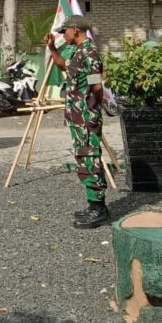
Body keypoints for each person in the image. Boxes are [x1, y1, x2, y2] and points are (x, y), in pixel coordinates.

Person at [45, 15, 109, 229]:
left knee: (90, 158)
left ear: (75, 30)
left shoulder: (90, 53)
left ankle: (98, 209)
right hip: (78, 116)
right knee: (83, 157)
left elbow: (97, 87)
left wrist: (92, 108)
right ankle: (94, 205)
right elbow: (63, 65)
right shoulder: (77, 52)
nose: (64, 34)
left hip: (86, 117)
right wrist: (52, 48)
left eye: (65, 31)